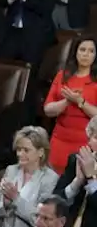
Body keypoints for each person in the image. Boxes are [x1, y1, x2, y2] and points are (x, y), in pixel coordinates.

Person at [45, 37, 97, 173]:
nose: (86, 54)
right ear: (75, 52)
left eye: (91, 51)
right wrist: (67, 101)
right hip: (59, 140)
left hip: (86, 144)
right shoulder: (62, 76)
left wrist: (80, 102)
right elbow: (48, 110)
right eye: (82, 50)